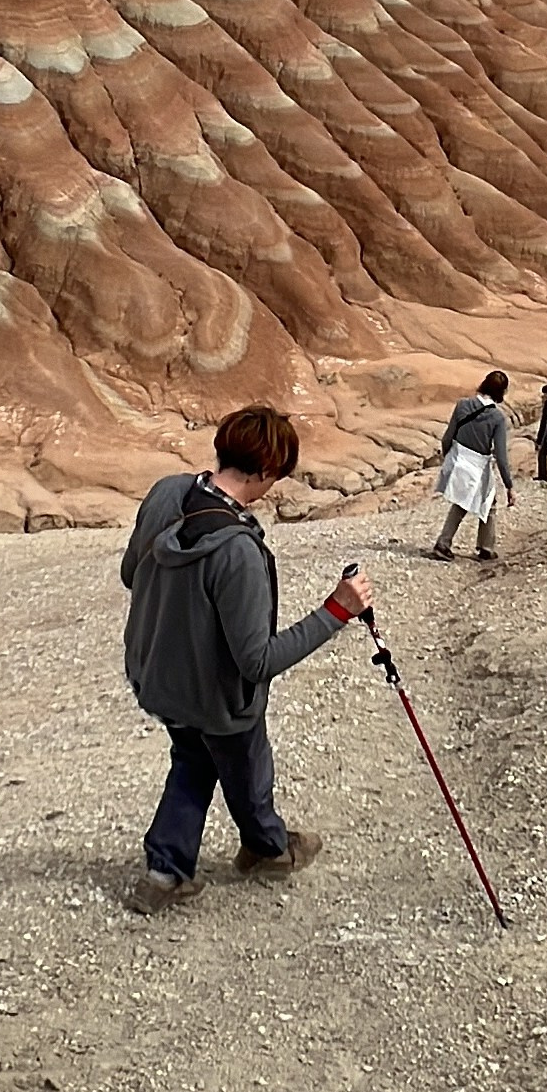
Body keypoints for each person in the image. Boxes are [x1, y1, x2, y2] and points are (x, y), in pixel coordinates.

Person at [120, 402, 375, 913]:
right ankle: (266, 849)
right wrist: (336, 611)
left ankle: (165, 873)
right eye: (275, 475)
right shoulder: (239, 551)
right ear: (264, 471)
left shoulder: (168, 492)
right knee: (247, 769)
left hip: (157, 676)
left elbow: (133, 574)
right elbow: (256, 661)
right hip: (218, 699)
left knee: (193, 759)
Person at [430, 369, 515, 561]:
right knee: (485, 502)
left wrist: (449, 459)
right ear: (502, 392)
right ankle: (479, 547)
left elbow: (447, 437)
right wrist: (509, 485)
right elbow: (501, 455)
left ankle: (451, 543)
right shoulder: (497, 418)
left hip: (458, 459)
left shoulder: (463, 405)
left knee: (467, 501)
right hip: (478, 465)